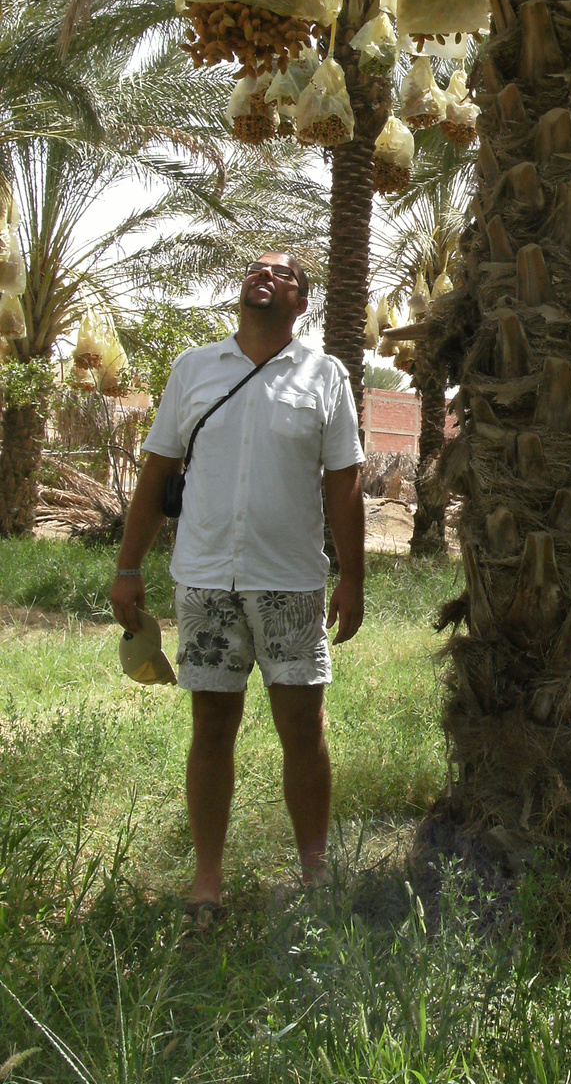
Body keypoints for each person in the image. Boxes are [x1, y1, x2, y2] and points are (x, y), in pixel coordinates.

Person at [110, 254, 366, 917]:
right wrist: (128, 567)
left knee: (302, 730)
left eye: (281, 274)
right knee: (212, 725)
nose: (263, 276)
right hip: (206, 581)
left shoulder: (325, 375)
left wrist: (353, 578)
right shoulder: (195, 370)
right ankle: (206, 884)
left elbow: (344, 483)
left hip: (290, 583)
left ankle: (315, 879)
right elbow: (157, 469)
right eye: (256, 269)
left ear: (301, 302)